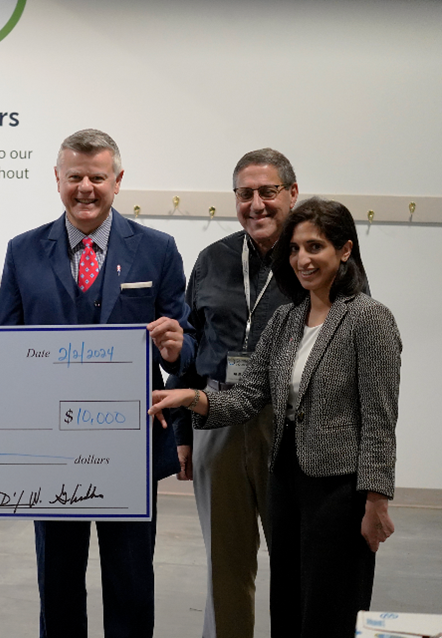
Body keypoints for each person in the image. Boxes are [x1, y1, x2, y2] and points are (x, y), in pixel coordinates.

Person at [150, 198, 401, 638]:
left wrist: (376, 500)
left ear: (344, 251)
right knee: (287, 606)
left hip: (339, 491)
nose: (303, 259)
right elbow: (248, 397)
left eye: (316, 247)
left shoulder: (369, 318)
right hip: (286, 484)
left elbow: (380, 421)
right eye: (296, 249)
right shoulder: (287, 318)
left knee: (330, 610)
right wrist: (193, 397)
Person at [0, 128, 195, 638]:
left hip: (129, 444)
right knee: (57, 578)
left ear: (118, 180)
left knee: (131, 580)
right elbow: (5, 347)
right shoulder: (22, 252)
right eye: (75, 176)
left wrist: (176, 348)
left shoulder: (158, 249)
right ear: (57, 179)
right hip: (49, 446)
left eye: (97, 177)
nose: (86, 187)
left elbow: (186, 342)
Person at [173, 148, 298, 638]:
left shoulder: (312, 254)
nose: (257, 204)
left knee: (295, 560)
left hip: (290, 421)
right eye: (245, 194)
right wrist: (184, 432)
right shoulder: (213, 259)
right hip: (216, 420)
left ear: (291, 193)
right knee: (224, 565)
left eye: (268, 192)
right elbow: (191, 346)